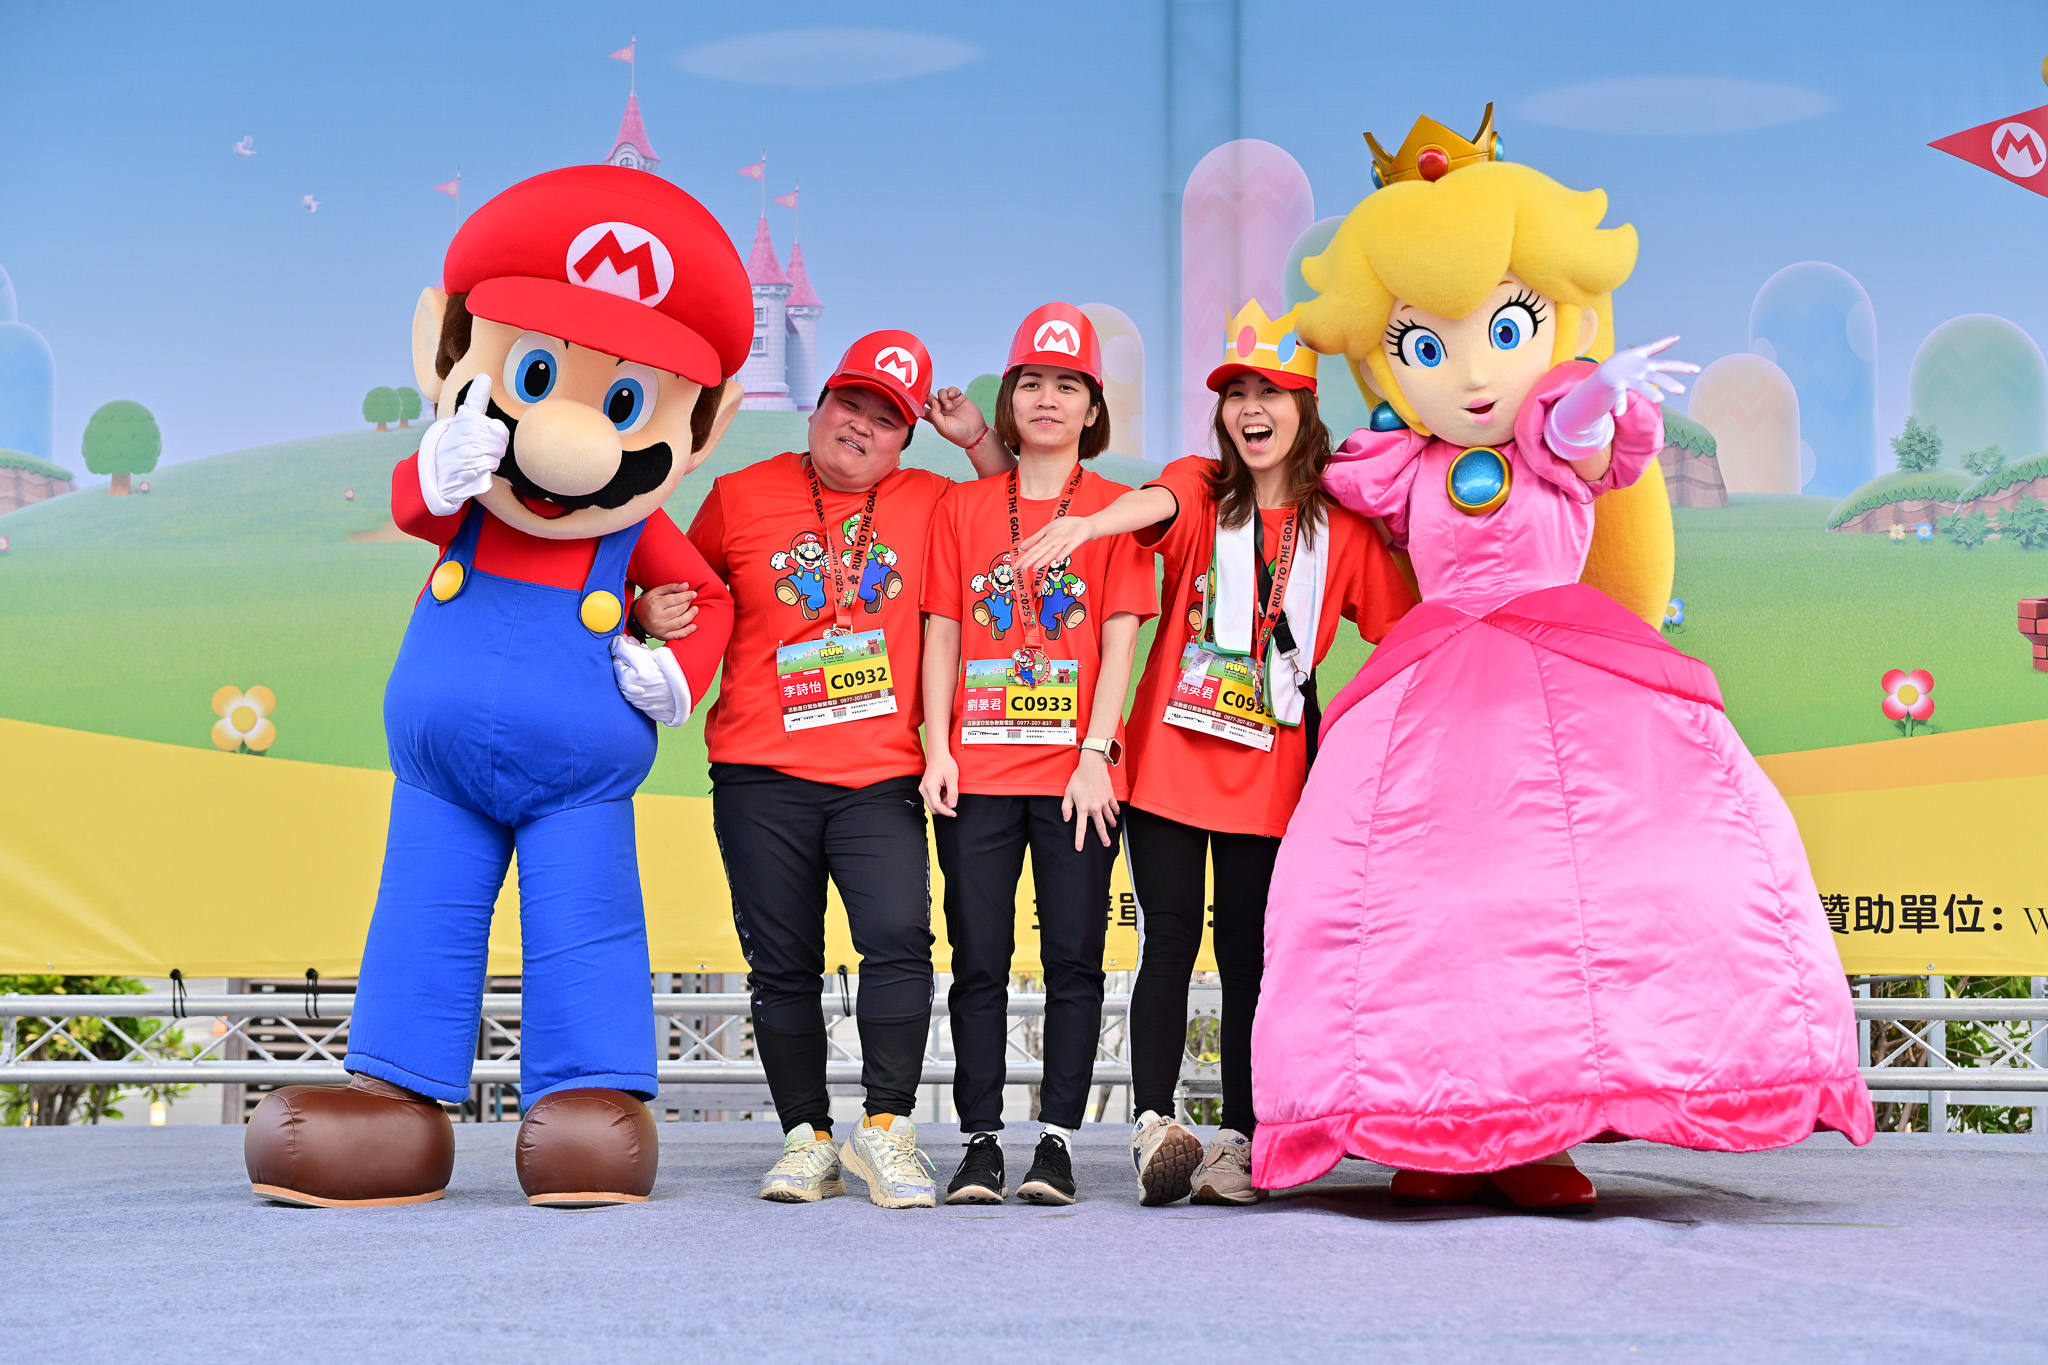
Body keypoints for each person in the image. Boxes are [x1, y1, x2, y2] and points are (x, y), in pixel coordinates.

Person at [1249, 107, 1873, 1211]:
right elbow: (1324, 474)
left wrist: (1594, 385)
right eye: (1426, 345)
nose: (1471, 373)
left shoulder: (1553, 442)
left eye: (1504, 327)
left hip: (1570, 668)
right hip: (1432, 688)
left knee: (1606, 886)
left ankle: (1546, 1127)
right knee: (1420, 902)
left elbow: (1581, 429)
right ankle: (1434, 1128)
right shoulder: (1402, 465)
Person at [243, 166, 744, 1209]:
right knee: (419, 920)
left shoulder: (637, 531)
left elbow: (707, 597)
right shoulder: (463, 490)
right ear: (446, 350)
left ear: (705, 426)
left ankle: (589, 1098)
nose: (569, 438)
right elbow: (415, 506)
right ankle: (392, 1103)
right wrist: (433, 469)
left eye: (623, 403)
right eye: (534, 375)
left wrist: (674, 672)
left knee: (588, 928)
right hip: (441, 776)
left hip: (579, 779)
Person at [1016, 299, 1415, 1205]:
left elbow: (1400, 634)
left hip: (1272, 776)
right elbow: (1153, 504)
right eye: (1236, 393)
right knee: (1167, 943)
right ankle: (1156, 1125)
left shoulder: (1343, 528)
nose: (1250, 408)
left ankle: (1241, 1135)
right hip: (1168, 762)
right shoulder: (1200, 487)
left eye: (1269, 391)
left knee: (1248, 956)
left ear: (1305, 408)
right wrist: (1091, 524)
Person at [635, 331, 1008, 1209]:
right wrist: (648, 609)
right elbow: (677, 587)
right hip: (759, 770)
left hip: (880, 773)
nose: (861, 427)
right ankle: (806, 1139)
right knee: (782, 962)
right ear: (819, 405)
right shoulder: (739, 496)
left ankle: (886, 1129)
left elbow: (1012, 512)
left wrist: (975, 439)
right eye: (851, 405)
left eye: (886, 420)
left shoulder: (933, 500)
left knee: (898, 938)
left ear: (906, 440)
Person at [919, 303, 1157, 1206]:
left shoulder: (1115, 511)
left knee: (1073, 957)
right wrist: (937, 746)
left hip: (1077, 778)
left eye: (1067, 384)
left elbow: (1121, 640)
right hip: (976, 772)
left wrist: (1096, 751)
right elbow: (943, 630)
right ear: (1010, 400)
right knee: (977, 958)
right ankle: (979, 1141)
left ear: (1092, 407)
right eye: (1032, 383)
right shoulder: (964, 505)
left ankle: (1056, 1141)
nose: (1047, 399)